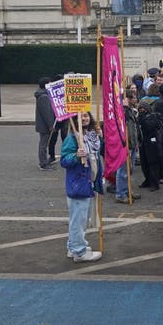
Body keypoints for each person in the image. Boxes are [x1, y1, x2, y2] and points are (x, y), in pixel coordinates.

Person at [60, 111, 103, 262]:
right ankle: (79, 252)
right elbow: (64, 161)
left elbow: (98, 153)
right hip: (78, 184)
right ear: (74, 120)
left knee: (78, 219)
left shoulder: (91, 136)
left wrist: (100, 136)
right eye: (80, 116)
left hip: (87, 183)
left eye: (86, 115)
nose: (84, 118)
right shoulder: (72, 138)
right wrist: (76, 156)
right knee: (79, 220)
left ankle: (74, 247)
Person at [34, 77, 58, 170]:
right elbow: (46, 113)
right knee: (43, 145)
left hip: (43, 124)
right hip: (45, 125)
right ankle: (43, 164)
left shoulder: (41, 94)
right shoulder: (44, 97)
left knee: (43, 144)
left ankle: (43, 162)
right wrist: (50, 125)